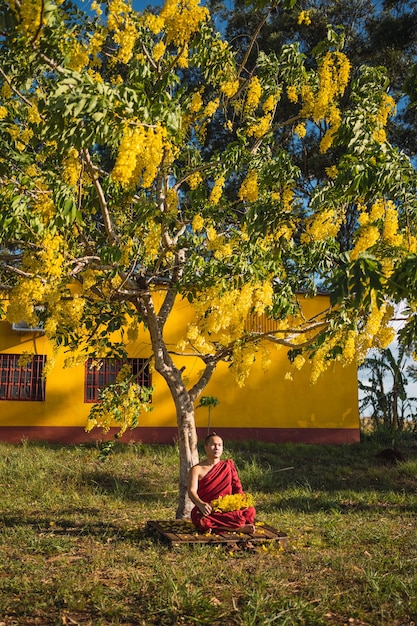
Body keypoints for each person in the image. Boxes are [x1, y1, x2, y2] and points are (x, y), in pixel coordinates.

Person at [187, 432, 256, 533]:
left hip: (227, 507)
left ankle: (216, 528)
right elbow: (191, 491)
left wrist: (242, 502)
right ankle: (236, 528)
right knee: (197, 515)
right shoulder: (197, 469)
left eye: (220, 445)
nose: (217, 448)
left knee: (250, 510)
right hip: (209, 508)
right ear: (205, 447)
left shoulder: (228, 466)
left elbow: (237, 488)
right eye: (213, 445)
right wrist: (201, 504)